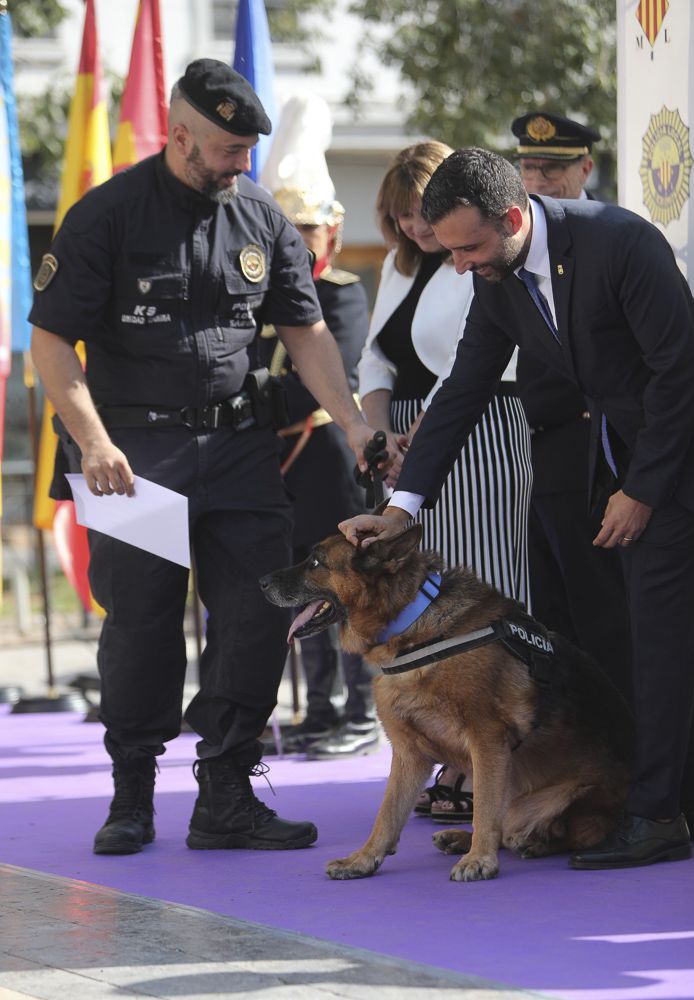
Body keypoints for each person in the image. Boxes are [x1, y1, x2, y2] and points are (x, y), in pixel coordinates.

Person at [340, 147, 694, 869]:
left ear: (513, 218)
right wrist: (401, 509)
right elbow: (462, 389)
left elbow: (682, 374)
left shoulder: (620, 242)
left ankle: (657, 817)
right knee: (635, 635)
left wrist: (641, 489)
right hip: (618, 454)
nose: (458, 264)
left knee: (661, 633)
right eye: (449, 248)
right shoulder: (498, 274)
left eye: (469, 247)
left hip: (688, 447)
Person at [29, 59, 374, 856]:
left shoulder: (260, 217)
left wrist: (353, 424)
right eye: (226, 149)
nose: (240, 164)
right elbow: (52, 339)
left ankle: (226, 793)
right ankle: (132, 795)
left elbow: (306, 330)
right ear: (180, 135)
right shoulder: (106, 214)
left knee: (259, 612)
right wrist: (93, 440)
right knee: (143, 625)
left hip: (238, 449)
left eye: (247, 149)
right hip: (130, 452)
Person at [359, 141, 533, 822]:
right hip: (403, 446)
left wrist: (416, 441)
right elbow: (375, 358)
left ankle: (485, 757)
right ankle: (446, 751)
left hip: (477, 433)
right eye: (399, 217)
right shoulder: (400, 270)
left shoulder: (476, 266)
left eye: (419, 213)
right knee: (424, 603)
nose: (413, 229)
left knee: (482, 590)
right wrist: (377, 433)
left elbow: (466, 371)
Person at [257, 93, 380, 759]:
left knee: (345, 589)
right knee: (301, 590)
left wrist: (276, 392)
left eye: (307, 229)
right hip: (276, 468)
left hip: (328, 461)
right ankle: (321, 707)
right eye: (288, 229)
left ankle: (361, 711)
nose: (299, 240)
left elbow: (333, 370)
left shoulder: (341, 293)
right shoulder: (258, 302)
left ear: (330, 232)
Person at [511, 111, 633, 705]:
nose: (538, 179)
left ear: (586, 167)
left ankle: (646, 782)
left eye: (553, 168)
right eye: (528, 166)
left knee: (610, 629)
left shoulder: (611, 238)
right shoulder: (509, 252)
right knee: (557, 630)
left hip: (604, 462)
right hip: (548, 460)